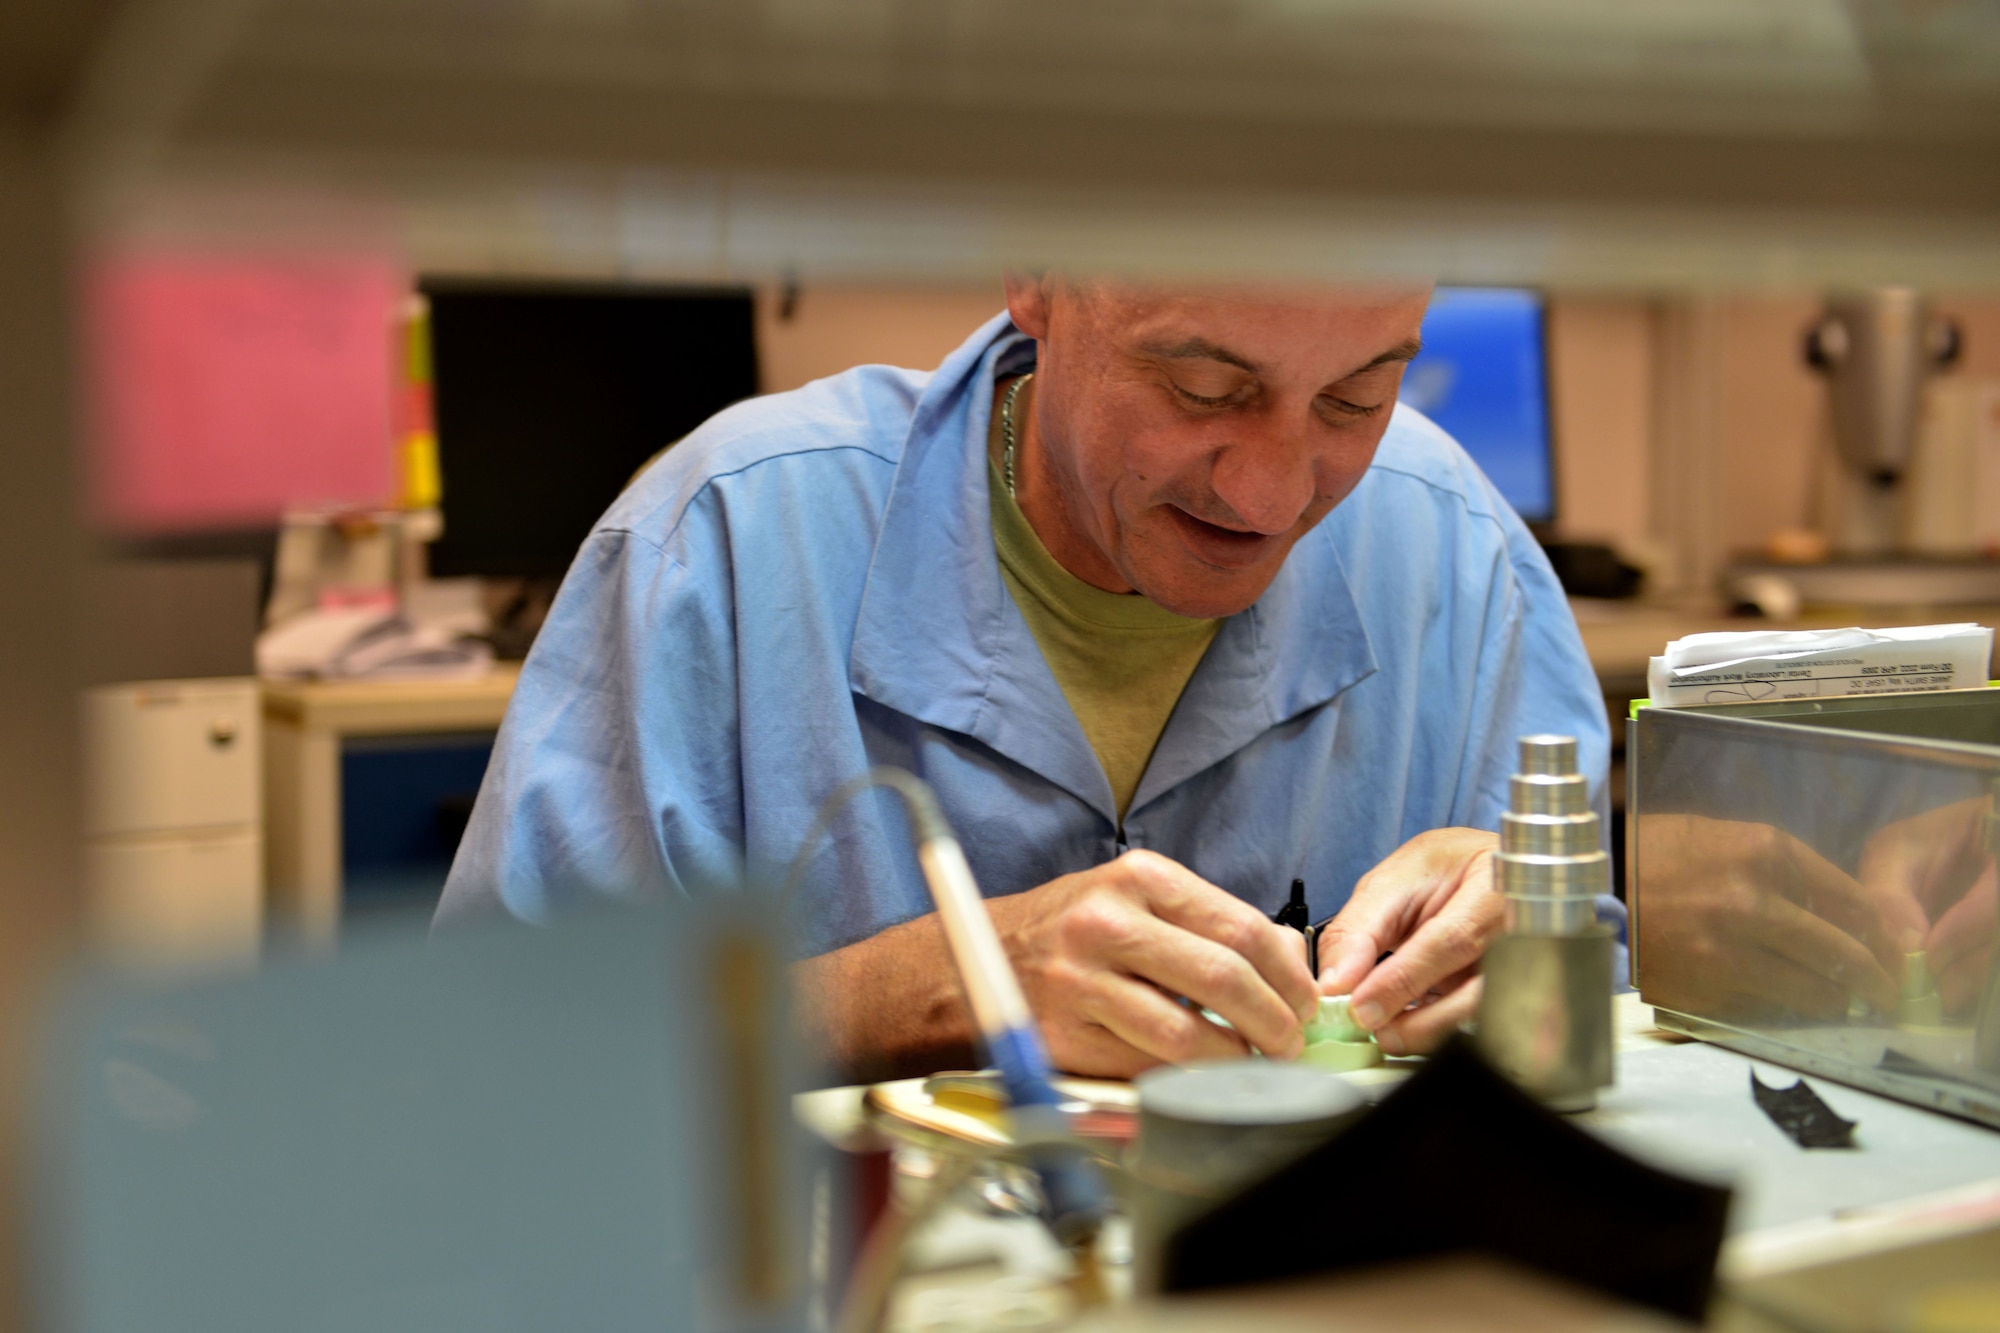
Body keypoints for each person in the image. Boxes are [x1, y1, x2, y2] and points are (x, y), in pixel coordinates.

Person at [436, 274, 1614, 1080]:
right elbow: (501, 1067)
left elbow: (1598, 1036)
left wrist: (1523, 958)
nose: (1269, 497)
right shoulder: (731, 541)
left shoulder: (1456, 552)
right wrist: (921, 992)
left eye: (1355, 399)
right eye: (1200, 389)